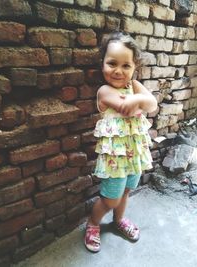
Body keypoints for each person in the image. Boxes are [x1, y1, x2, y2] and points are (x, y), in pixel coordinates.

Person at [84, 31, 157, 252]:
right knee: (110, 199)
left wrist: (138, 97)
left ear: (135, 68)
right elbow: (125, 108)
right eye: (112, 63)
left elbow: (152, 104)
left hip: (135, 152)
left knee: (126, 192)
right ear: (103, 63)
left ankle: (118, 221)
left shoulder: (134, 86)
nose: (118, 70)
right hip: (115, 158)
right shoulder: (105, 91)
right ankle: (93, 223)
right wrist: (138, 100)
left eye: (126, 66)